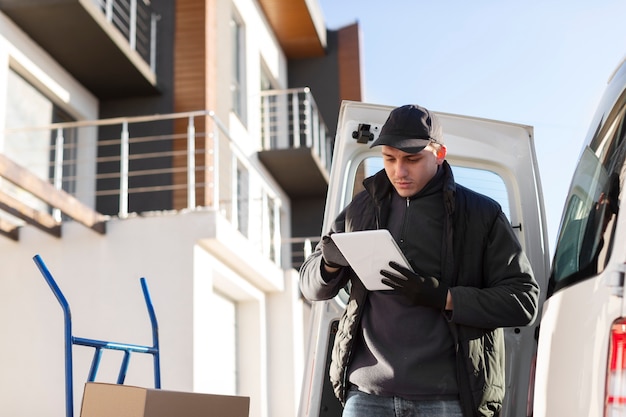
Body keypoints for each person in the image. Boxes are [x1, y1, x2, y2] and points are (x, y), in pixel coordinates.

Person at [299, 104, 539, 417]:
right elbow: (310, 286)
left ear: (439, 154)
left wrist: (446, 297)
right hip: (367, 397)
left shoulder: (482, 215)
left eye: (412, 159)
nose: (399, 171)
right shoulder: (361, 210)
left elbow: (524, 300)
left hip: (447, 400)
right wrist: (328, 263)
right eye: (389, 159)